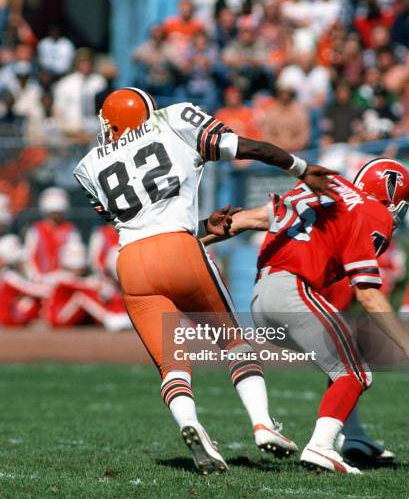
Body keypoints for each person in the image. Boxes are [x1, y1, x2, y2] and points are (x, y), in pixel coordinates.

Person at [73, 87, 333, 474]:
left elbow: (141, 223)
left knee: (171, 364)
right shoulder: (173, 119)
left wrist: (201, 228)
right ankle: (263, 424)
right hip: (180, 251)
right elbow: (250, 149)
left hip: (131, 262)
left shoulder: (88, 165)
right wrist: (300, 167)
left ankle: (191, 424)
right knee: (234, 343)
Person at [225, 158, 409, 473]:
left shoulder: (329, 186)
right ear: (389, 193)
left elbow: (249, 219)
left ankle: (352, 436)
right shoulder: (372, 211)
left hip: (262, 297)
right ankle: (321, 447)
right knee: (356, 372)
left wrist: (195, 239)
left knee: (344, 358)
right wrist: (407, 344)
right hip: (293, 289)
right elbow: (367, 292)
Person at [24, 187, 81, 282]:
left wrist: (68, 276)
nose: (56, 215)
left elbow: (75, 255)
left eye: (59, 212)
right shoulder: (36, 229)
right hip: (40, 279)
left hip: (63, 278)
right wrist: (35, 277)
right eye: (53, 212)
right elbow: (29, 255)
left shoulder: (70, 229)